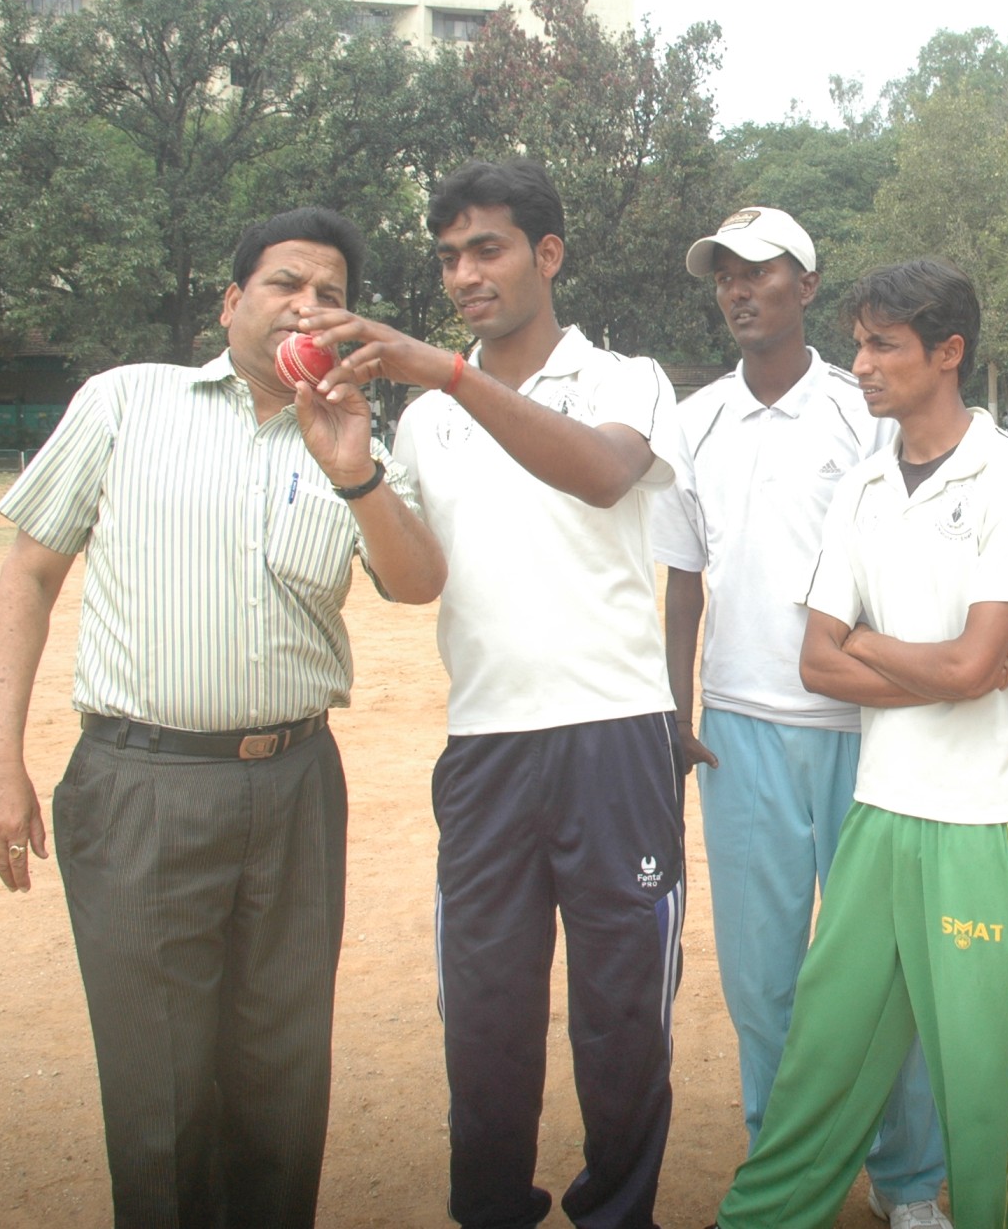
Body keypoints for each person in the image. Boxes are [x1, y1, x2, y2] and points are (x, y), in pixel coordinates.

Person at [0, 206, 446, 1228]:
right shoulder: (126, 402)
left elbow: (416, 582)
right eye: (284, 283)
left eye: (328, 294)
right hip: (141, 785)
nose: (306, 306)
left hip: (296, 784)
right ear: (232, 303)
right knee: (160, 1090)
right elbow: (29, 574)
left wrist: (353, 468)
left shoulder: (352, 435)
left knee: (283, 1075)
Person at [298, 159, 686, 1229]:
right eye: (448, 258)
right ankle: (490, 1209)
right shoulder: (426, 419)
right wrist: (358, 475)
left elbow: (602, 474)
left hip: (614, 735)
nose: (465, 274)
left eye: (487, 249)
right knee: (483, 1016)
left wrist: (449, 377)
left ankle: (619, 1212)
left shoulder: (624, 378)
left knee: (622, 1015)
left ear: (546, 254)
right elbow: (416, 581)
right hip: (485, 747)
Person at [713, 260, 1008, 1229]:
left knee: (978, 1077)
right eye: (858, 344)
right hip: (878, 805)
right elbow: (818, 664)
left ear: (947, 352)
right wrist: (932, 665)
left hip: (980, 820)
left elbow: (970, 664)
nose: (860, 364)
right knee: (823, 1055)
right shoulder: (862, 483)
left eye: (882, 345)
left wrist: (876, 644)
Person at [652, 208, 949, 1228]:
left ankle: (908, 1179)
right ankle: (782, 1179)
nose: (739, 290)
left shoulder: (862, 410)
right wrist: (675, 708)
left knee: (882, 970)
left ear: (807, 285)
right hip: (737, 730)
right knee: (761, 979)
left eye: (760, 272)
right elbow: (682, 579)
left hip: (865, 728)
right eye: (724, 275)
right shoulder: (692, 420)